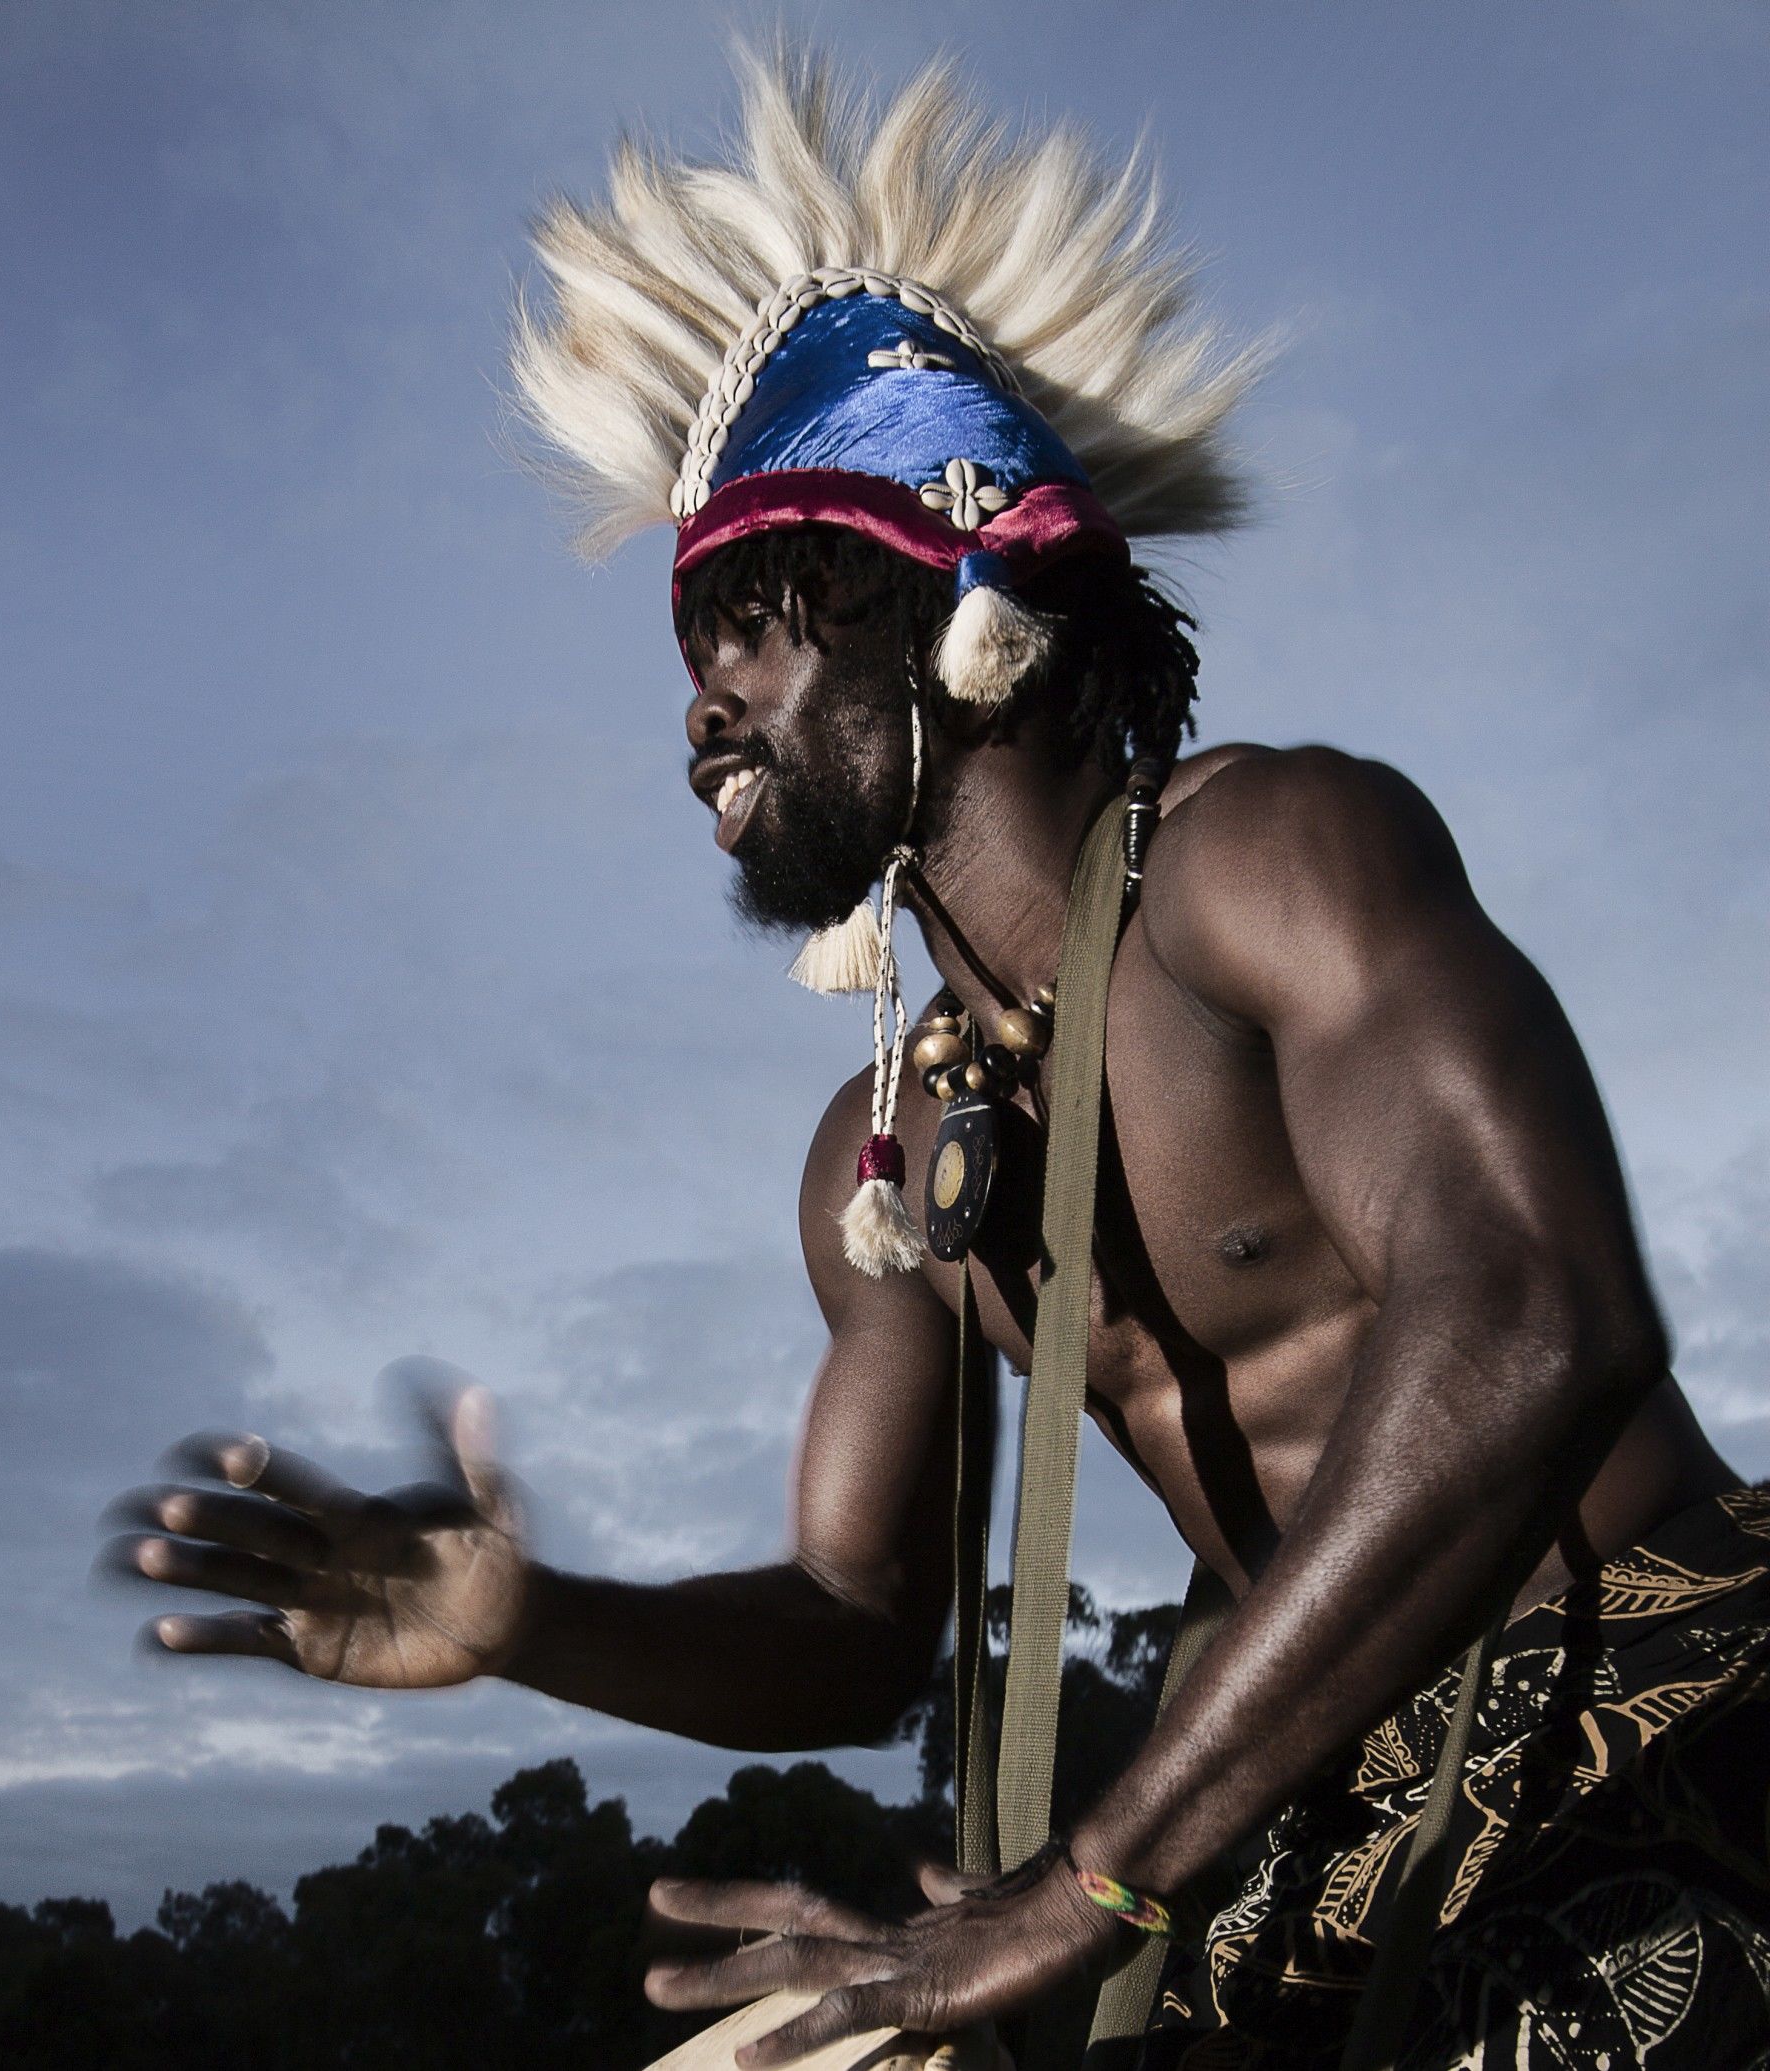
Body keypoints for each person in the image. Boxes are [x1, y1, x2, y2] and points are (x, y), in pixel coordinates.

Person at [105, 46, 1770, 2069]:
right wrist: (529, 1621)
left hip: (1670, 1684)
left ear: (950, 587)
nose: (701, 712)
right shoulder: (877, 1159)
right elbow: (858, 1624)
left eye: (755, 623)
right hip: (1301, 1795)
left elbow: (1531, 1312)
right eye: (687, 655)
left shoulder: (1267, 859)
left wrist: (1086, 1885)